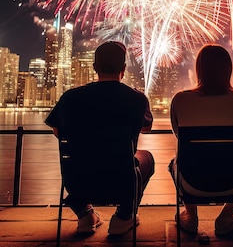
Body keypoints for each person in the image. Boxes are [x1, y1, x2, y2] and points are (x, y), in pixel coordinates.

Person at [45, 41, 155, 235]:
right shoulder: (136, 99)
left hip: (78, 182)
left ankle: (85, 215)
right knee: (146, 157)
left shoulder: (71, 98)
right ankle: (124, 216)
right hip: (120, 181)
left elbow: (57, 131)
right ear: (124, 68)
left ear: (94, 67)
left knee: (77, 161)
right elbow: (146, 128)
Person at [168, 44, 233, 236]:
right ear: (228, 70)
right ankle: (226, 216)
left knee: (176, 161)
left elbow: (178, 134)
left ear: (199, 69)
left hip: (193, 179)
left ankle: (190, 215)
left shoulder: (180, 99)